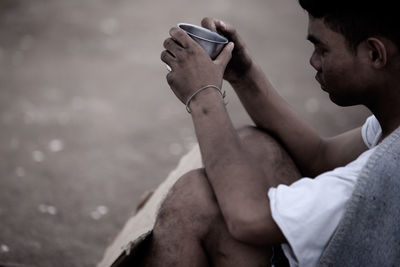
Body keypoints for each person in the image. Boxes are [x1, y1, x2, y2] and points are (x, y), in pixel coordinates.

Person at [140, 0, 400, 266]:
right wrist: (243, 73)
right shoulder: (390, 132)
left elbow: (249, 219)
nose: (313, 61)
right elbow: (321, 156)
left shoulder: (387, 170)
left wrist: (203, 96)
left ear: (374, 54)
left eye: (322, 49)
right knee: (256, 146)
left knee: (192, 198)